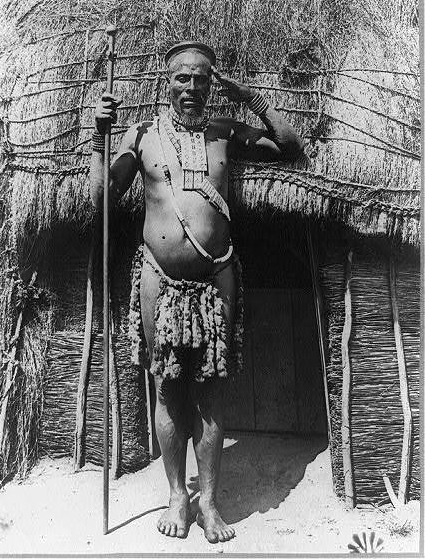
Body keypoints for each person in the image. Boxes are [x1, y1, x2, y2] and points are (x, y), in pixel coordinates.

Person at [90, 41, 304, 543]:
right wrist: (100, 140)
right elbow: (102, 198)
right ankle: (176, 495)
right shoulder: (141, 135)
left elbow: (291, 147)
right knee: (168, 387)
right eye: (183, 78)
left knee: (210, 391)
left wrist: (249, 97)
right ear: (168, 81)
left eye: (202, 80)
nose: (191, 88)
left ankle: (208, 501)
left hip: (217, 277)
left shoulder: (226, 134)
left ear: (213, 85)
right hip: (157, 279)